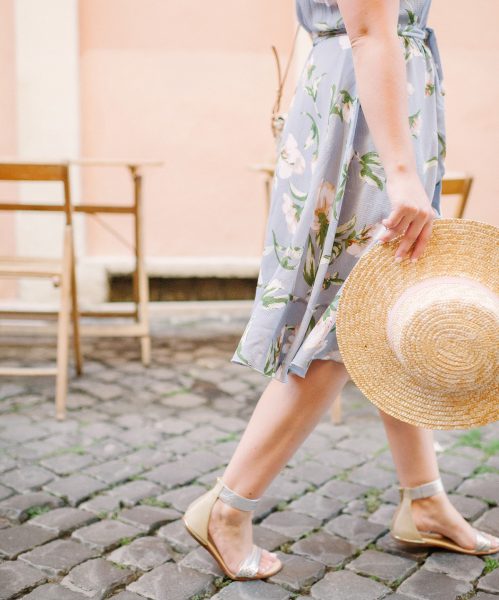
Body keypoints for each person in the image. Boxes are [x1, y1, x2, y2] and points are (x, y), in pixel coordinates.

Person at [183, 0, 499, 580]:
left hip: (381, 108)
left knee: (391, 308)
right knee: (342, 321)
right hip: (369, 121)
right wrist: (401, 171)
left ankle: (424, 500)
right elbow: (369, 31)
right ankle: (227, 508)